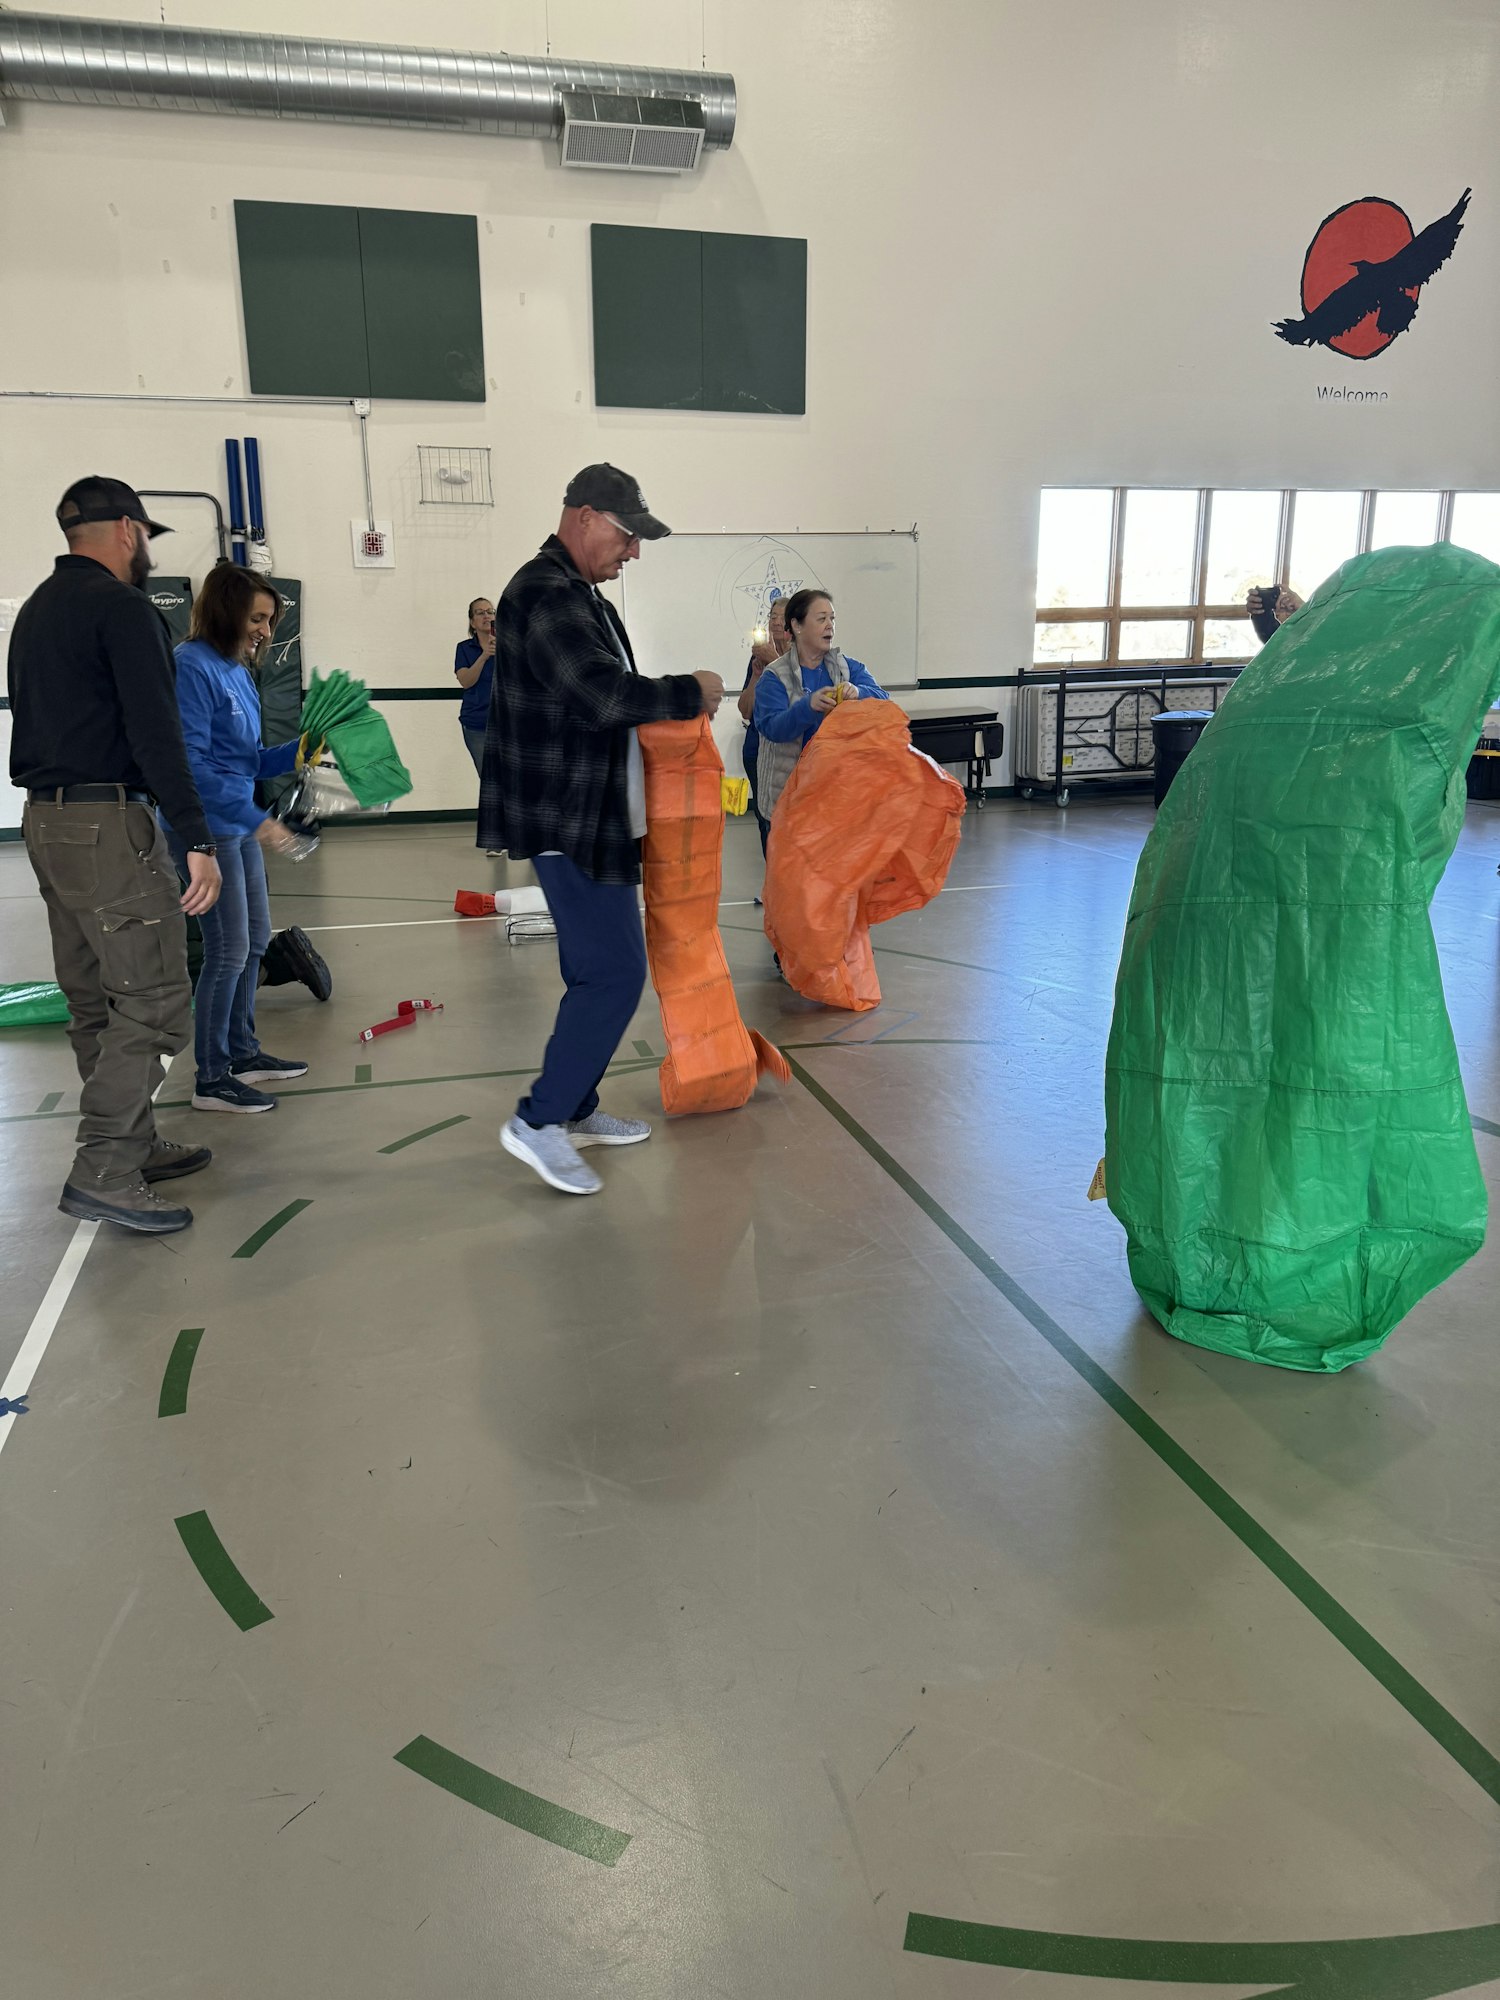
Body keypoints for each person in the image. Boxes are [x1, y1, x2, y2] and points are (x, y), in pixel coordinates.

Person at [479, 463, 725, 1197]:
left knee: (594, 969)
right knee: (613, 973)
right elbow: (601, 695)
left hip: (593, 813)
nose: (634, 553)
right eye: (627, 536)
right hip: (569, 817)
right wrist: (693, 691)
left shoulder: (581, 595)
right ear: (584, 518)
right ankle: (539, 1119)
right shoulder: (546, 592)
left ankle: (576, 1105)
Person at [8, 476, 222, 1234]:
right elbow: (154, 732)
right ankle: (104, 1167)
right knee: (157, 997)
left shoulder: (36, 612)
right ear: (129, 531)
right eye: (146, 540)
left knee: (97, 998)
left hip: (46, 825)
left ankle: (129, 1143)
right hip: (107, 827)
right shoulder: (123, 609)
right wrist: (195, 836)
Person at [159, 565, 308, 1114]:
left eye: (270, 620)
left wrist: (301, 748)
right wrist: (258, 819)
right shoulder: (190, 667)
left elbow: (245, 760)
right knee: (226, 950)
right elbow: (193, 765)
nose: (265, 631)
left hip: (237, 819)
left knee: (255, 938)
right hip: (205, 826)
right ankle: (212, 1076)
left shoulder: (237, 670)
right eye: (258, 618)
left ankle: (243, 1052)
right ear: (227, 612)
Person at [752, 588, 890, 823]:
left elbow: (883, 700)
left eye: (832, 619)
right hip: (789, 800)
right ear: (797, 626)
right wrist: (808, 706)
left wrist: (858, 692)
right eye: (821, 619)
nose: (830, 626)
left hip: (837, 797)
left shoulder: (848, 668)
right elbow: (772, 728)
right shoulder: (775, 676)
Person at [739, 595, 789, 857]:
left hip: (789, 753)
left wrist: (773, 662)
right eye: (772, 616)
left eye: (783, 617)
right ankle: (773, 885)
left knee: (789, 820)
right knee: (765, 818)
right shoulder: (758, 659)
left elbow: (799, 699)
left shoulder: (803, 658)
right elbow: (746, 709)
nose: (776, 622)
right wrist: (757, 674)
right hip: (756, 749)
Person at [453, 596, 496, 774]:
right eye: (480, 613)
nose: (486, 616)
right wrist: (484, 655)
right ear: (472, 622)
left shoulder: (510, 645)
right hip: (477, 723)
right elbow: (465, 681)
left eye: (490, 612)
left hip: (508, 722)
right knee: (488, 776)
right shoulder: (464, 648)